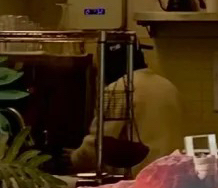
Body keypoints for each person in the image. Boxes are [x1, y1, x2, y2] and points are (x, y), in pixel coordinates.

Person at [69, 42, 185, 177]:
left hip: (140, 176)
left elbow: (100, 142)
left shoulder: (120, 88)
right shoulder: (167, 86)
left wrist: (74, 158)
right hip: (172, 173)